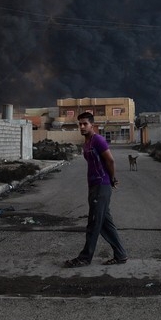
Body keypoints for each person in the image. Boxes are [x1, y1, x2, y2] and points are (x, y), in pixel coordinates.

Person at [65, 111, 128, 267]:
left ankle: (85, 258)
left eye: (85, 123)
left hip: (102, 185)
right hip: (94, 186)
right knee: (106, 223)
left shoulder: (98, 140)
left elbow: (110, 161)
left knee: (94, 223)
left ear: (92, 124)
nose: (82, 126)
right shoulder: (87, 142)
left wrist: (112, 179)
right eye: (79, 124)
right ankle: (121, 255)